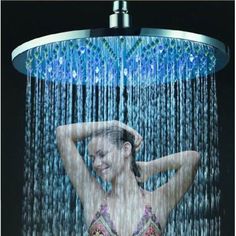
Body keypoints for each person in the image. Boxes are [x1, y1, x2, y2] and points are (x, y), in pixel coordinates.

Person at [56, 120, 200, 236]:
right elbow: (62, 134)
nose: (96, 164)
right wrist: (112, 123)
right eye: (93, 158)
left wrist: (151, 168)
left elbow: (192, 159)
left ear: (126, 149)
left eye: (102, 154)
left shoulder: (159, 201)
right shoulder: (92, 198)